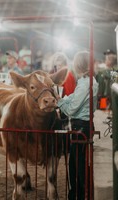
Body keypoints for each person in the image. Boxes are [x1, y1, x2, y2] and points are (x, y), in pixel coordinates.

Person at [57, 51, 99, 200]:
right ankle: (77, 194)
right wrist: (61, 100)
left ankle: (79, 196)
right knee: (76, 165)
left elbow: (72, 108)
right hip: (83, 126)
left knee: (78, 167)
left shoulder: (85, 84)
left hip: (81, 127)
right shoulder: (85, 81)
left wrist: (59, 103)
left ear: (79, 65)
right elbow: (73, 98)